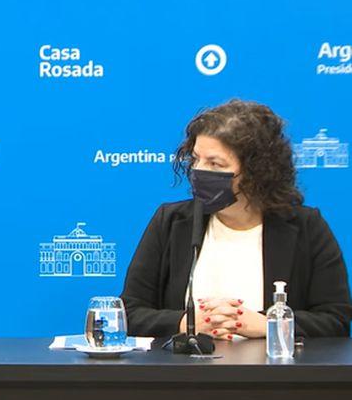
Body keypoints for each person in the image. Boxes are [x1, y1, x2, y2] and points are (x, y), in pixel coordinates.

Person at [122, 99, 352, 340]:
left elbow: (335, 319)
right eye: (196, 159)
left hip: (272, 365)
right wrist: (187, 323)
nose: (199, 171)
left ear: (257, 172)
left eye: (215, 163)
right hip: (186, 364)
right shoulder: (171, 222)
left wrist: (268, 324)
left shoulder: (306, 226)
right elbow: (130, 312)